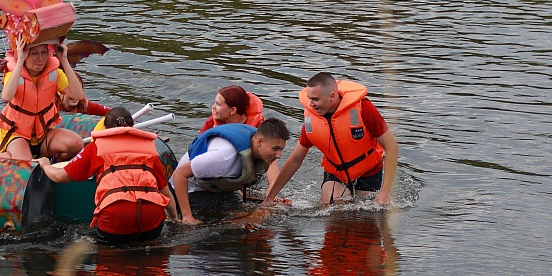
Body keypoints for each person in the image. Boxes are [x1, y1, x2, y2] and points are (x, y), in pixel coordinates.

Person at [35, 107, 171, 245]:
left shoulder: (96, 147)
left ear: (105, 128)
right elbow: (164, 190)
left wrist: (45, 164)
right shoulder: (149, 148)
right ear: (132, 128)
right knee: (152, 257)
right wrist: (176, 217)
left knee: (106, 257)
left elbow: (59, 176)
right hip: (152, 213)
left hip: (115, 214)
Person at [262, 72, 398, 207]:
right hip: (336, 172)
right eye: (309, 98)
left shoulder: (364, 109)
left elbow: (392, 148)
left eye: (315, 99)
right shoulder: (311, 121)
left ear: (332, 96)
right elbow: (295, 160)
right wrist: (271, 196)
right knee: (332, 206)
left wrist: (385, 191)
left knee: (368, 215)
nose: (311, 104)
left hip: (369, 171)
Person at [170, 118, 290, 224]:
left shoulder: (260, 145)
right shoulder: (223, 157)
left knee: (263, 212)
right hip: (190, 190)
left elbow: (273, 167)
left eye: (281, 149)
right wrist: (187, 217)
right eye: (275, 149)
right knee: (245, 221)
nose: (279, 155)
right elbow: (179, 174)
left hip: (216, 188)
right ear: (259, 141)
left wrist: (271, 193)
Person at [0, 38, 85, 161]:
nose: (40, 59)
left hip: (43, 134)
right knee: (25, 162)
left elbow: (78, 95)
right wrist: (20, 62)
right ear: (24, 54)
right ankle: (1, 156)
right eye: (34, 53)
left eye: (44, 52)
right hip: (16, 134)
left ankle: (51, 165)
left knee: (76, 144)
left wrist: (64, 60)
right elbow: (6, 97)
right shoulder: (14, 74)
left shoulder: (54, 73)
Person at [197, 85, 265, 133]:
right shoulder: (210, 123)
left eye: (218, 104)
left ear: (233, 110)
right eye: (215, 103)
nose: (213, 107)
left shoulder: (259, 127)